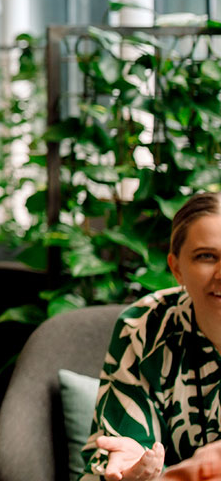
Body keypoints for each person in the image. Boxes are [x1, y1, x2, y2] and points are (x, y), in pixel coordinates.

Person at [81, 192, 221, 481]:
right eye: (207, 256)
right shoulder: (144, 327)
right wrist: (128, 471)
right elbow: (119, 453)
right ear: (177, 268)